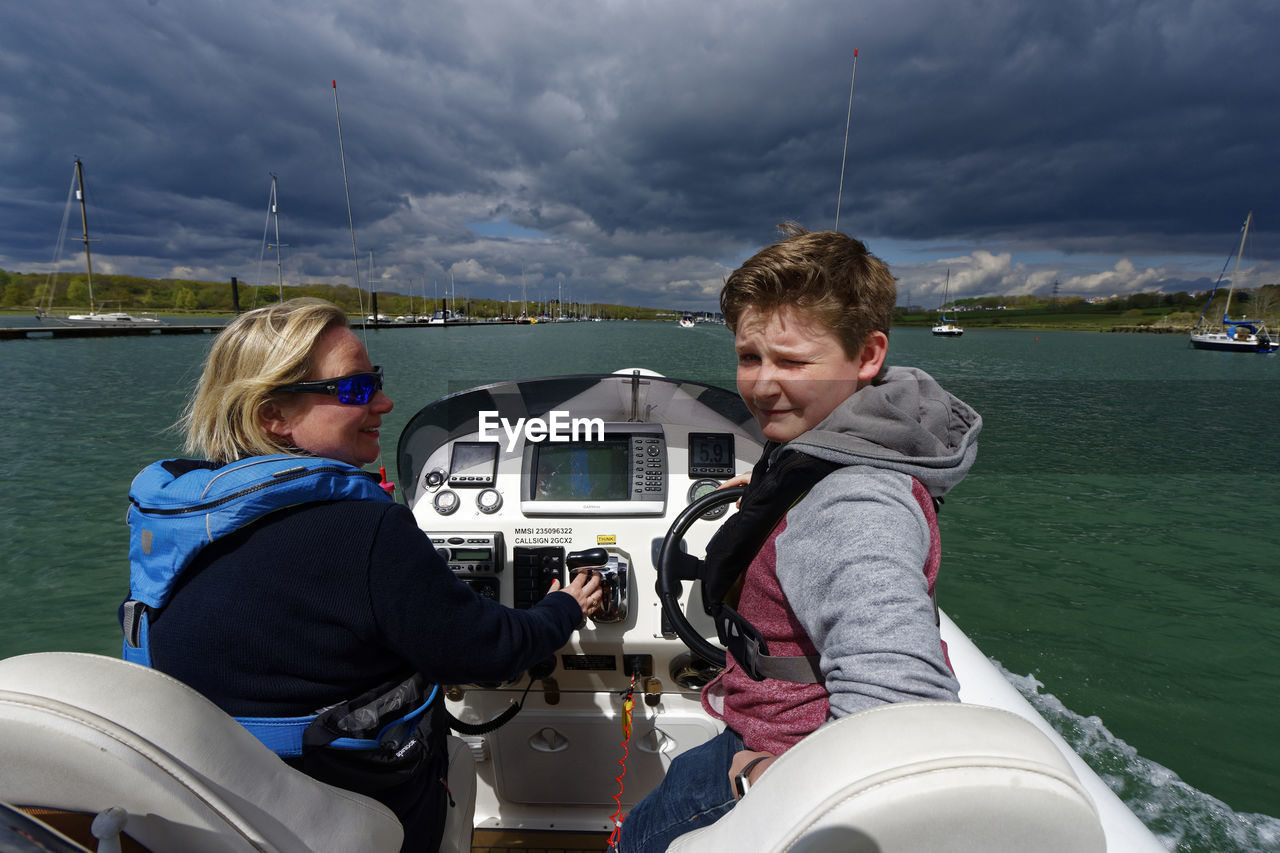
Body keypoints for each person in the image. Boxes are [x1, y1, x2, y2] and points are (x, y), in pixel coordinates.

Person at [120, 298, 601, 853]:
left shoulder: (173, 517)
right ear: (272, 416)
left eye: (375, 380)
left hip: (209, 805)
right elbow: (488, 650)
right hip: (335, 812)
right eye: (354, 390)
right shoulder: (363, 529)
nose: (384, 402)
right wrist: (565, 605)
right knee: (462, 764)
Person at [616, 225, 981, 852]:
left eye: (791, 362)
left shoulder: (853, 502)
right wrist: (768, 493)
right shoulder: (846, 440)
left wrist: (767, 780)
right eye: (749, 357)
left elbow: (903, 705)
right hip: (766, 726)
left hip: (783, 755)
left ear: (868, 356)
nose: (760, 385)